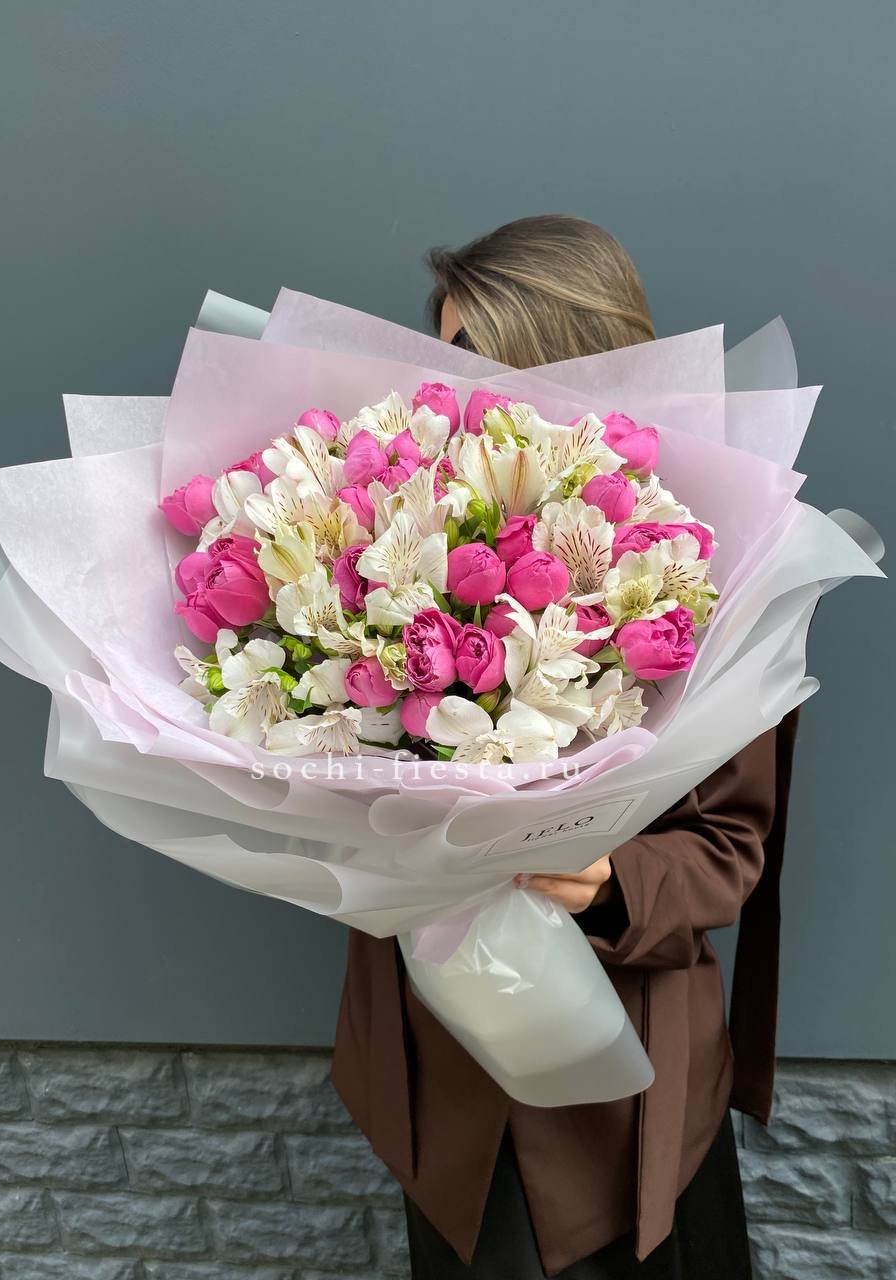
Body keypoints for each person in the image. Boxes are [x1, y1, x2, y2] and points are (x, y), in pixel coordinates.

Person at [330, 215, 799, 1279]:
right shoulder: (390, 542)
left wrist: (610, 878)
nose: (452, 394)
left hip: (621, 1076)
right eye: (442, 359)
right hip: (442, 1061)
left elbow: (731, 845)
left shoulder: (701, 567)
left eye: (479, 360)